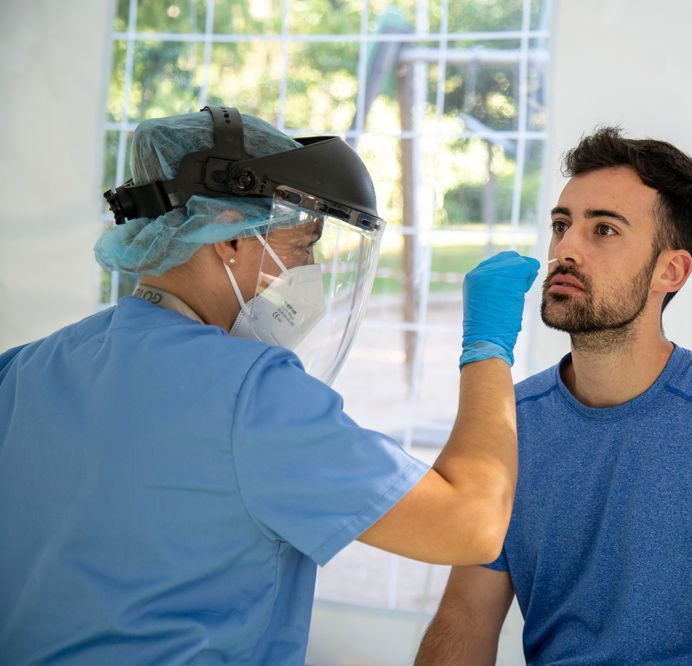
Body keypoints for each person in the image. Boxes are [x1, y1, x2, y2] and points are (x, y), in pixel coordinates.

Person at [0, 106, 539, 664]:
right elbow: (472, 524)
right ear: (229, 235)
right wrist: (488, 346)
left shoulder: (22, 371)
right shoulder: (250, 394)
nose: (309, 276)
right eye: (302, 247)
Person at [416, 128, 692, 665]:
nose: (565, 249)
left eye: (604, 230)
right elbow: (465, 617)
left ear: (672, 270)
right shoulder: (508, 425)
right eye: (561, 225)